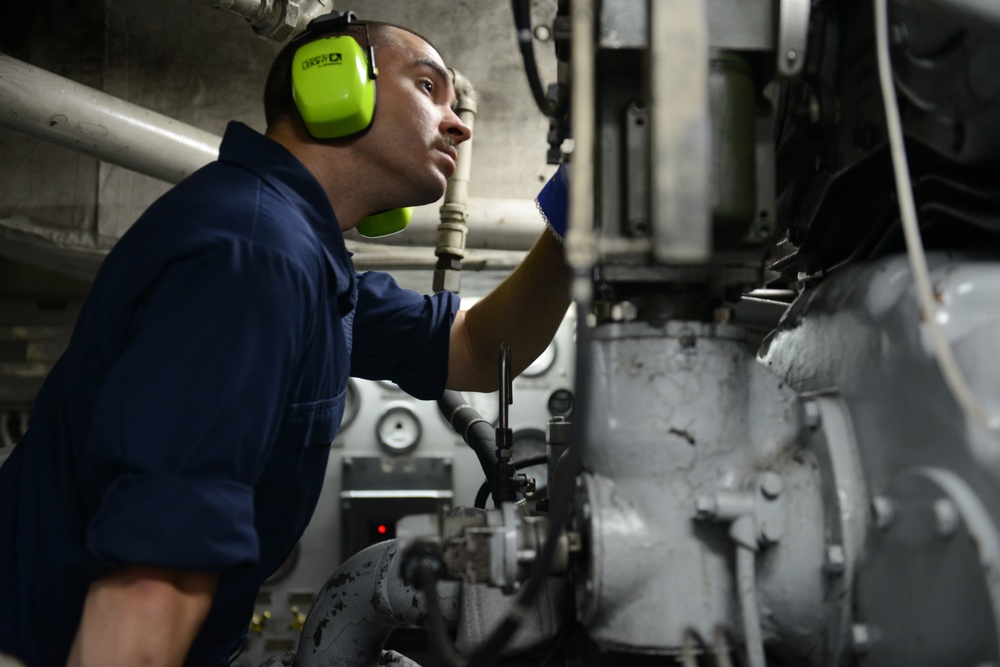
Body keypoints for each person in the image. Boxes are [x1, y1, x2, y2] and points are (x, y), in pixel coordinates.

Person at [0, 13, 571, 667]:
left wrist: (572, 226)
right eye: (427, 86)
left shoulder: (300, 255)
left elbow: (473, 346)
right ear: (333, 86)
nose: (460, 123)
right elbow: (155, 574)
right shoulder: (250, 255)